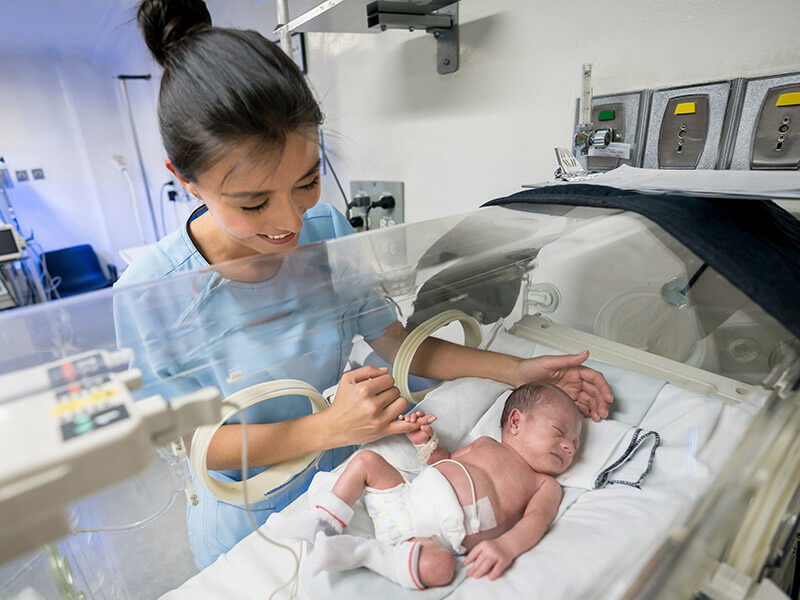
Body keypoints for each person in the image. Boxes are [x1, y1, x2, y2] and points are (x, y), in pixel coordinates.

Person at [115, 0, 611, 571]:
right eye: (253, 203)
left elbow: (400, 346)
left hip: (351, 486)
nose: (288, 222)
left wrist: (516, 369)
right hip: (249, 518)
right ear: (185, 180)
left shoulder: (326, 231)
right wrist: (327, 426)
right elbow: (198, 448)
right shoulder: (150, 292)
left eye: (307, 181)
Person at [267, 382, 582, 589]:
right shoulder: (485, 444)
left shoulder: (544, 486)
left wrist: (506, 546)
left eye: (575, 443)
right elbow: (442, 460)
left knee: (442, 569)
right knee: (366, 462)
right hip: (404, 498)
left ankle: (365, 553)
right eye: (560, 431)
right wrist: (426, 442)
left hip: (432, 540)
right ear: (515, 422)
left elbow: (535, 523)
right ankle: (325, 524)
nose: (569, 446)